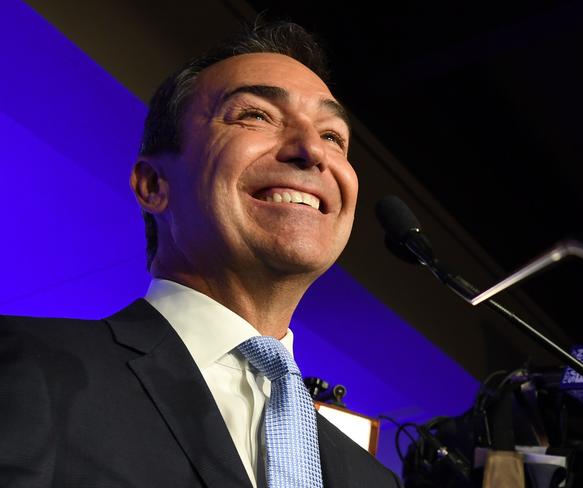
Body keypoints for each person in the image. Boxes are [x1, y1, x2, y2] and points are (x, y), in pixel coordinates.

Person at [0, 20, 401, 488]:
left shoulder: (374, 480)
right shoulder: (27, 364)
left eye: (334, 137)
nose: (313, 150)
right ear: (155, 185)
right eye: (256, 115)